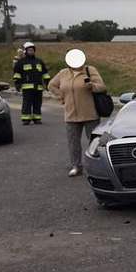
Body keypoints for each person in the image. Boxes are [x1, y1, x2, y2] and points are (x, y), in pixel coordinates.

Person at [48, 49, 106, 177]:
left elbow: (102, 86)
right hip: (71, 114)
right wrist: (61, 97)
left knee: (94, 142)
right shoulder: (63, 73)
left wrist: (91, 85)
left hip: (90, 113)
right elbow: (51, 85)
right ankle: (76, 166)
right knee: (73, 142)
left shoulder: (90, 70)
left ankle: (97, 167)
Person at [12, 42, 51, 125]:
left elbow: (45, 73)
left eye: (32, 50)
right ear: (26, 51)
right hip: (27, 88)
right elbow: (17, 74)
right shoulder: (21, 62)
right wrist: (17, 83)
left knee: (37, 103)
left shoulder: (39, 61)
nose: (31, 51)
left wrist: (47, 83)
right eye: (29, 50)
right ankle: (26, 119)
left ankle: (37, 118)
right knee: (27, 103)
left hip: (38, 87)